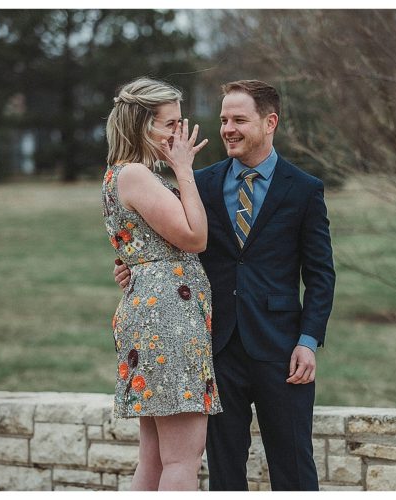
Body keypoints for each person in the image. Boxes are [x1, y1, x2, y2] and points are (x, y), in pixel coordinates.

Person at [114, 80, 335, 490]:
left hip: (282, 350)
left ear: (270, 122)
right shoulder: (200, 183)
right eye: (222, 120)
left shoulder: (304, 189)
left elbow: (321, 274)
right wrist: (132, 269)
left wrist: (308, 339)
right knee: (223, 471)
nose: (227, 128)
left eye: (239, 119)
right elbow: (175, 248)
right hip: (214, 347)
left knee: (294, 467)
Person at [102, 77, 221, 491]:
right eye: (169, 124)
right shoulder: (135, 174)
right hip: (168, 319)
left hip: (154, 310)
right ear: (140, 124)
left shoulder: (119, 175)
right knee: (181, 459)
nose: (178, 135)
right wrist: (184, 171)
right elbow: (195, 237)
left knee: (153, 460)